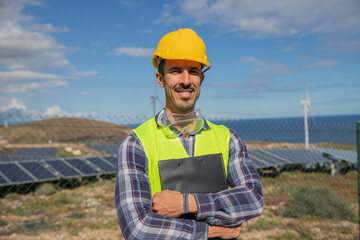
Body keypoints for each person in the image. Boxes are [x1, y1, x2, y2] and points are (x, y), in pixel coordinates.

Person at [115, 28, 264, 240]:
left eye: (193, 71)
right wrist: (211, 231)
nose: (186, 80)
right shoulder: (136, 144)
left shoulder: (227, 138)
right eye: (175, 71)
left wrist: (187, 203)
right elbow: (137, 228)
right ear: (160, 78)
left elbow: (254, 199)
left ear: (201, 79)